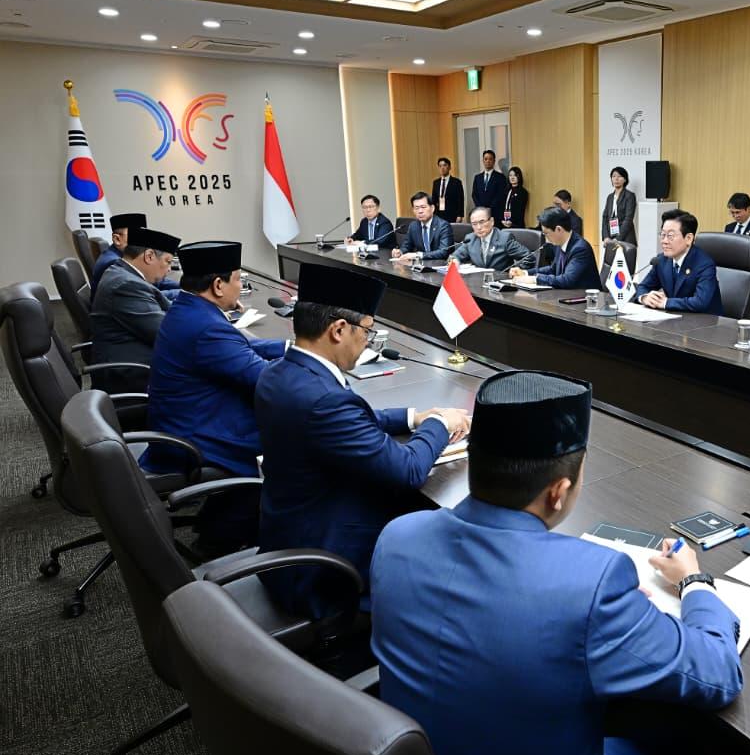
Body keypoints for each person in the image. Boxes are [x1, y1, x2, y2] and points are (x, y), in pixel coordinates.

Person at [371, 370, 743, 755]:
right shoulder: (590, 585)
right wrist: (694, 581)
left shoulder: (396, 537)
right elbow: (718, 673)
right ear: (559, 492)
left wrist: (604, 610)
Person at [255, 263, 471, 617]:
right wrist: (440, 423)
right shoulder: (325, 400)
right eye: (368, 331)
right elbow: (408, 470)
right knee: (449, 539)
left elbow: (345, 420)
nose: (368, 341)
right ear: (339, 329)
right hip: (324, 565)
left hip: (290, 533)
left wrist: (411, 416)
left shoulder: (280, 372)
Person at [141, 241, 284, 556]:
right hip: (194, 435)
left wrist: (290, 348)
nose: (239, 286)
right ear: (218, 285)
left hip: (181, 420)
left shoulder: (189, 308)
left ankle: (220, 522)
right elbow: (265, 379)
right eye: (238, 279)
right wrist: (313, 365)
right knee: (287, 438)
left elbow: (240, 349)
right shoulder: (205, 325)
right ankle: (229, 537)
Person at [89, 226, 181, 395]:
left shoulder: (123, 273)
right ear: (149, 256)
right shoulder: (126, 285)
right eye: (168, 261)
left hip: (133, 362)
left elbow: (163, 302)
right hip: (130, 379)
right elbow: (170, 334)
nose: (169, 269)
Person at [636, 210, 723, 314]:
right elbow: (643, 286)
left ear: (688, 239)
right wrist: (645, 297)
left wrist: (666, 303)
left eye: (670, 236)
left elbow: (700, 302)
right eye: (662, 234)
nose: (664, 241)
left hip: (705, 324)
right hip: (674, 320)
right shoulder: (661, 260)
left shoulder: (704, 264)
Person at [90, 212, 179, 298]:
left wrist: (184, 286)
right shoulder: (113, 262)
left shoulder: (119, 255)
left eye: (143, 235)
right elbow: (145, 294)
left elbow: (156, 284)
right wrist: (183, 293)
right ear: (117, 239)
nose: (142, 240)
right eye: (134, 235)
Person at [510, 207, 599, 291]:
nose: (545, 238)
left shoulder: (580, 248)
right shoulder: (559, 243)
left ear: (558, 229)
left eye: (546, 233)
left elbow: (567, 280)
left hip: (585, 300)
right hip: (566, 296)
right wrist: (525, 273)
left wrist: (535, 279)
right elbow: (553, 269)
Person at [452, 207, 536, 271]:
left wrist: (515, 271)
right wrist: (455, 261)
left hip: (499, 284)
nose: (479, 227)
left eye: (482, 222)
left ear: (492, 221)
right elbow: (455, 256)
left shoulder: (504, 238)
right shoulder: (470, 238)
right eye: (474, 224)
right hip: (477, 283)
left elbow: (529, 258)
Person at [392, 191, 452, 262]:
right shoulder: (413, 226)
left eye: (423, 207)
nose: (420, 211)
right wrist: (400, 252)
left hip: (440, 265)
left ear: (432, 208)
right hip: (421, 266)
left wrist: (418, 255)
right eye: (416, 208)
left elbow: (443, 252)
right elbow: (406, 246)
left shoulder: (443, 226)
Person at [601, 166, 637, 245]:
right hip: (610, 238)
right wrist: (606, 237)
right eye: (613, 176)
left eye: (619, 176)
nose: (616, 179)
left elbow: (628, 219)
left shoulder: (630, 196)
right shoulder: (610, 197)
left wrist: (617, 239)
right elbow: (605, 217)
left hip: (626, 238)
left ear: (625, 179)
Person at [471, 149, 505, 214]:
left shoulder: (500, 177)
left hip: (495, 212)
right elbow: (474, 194)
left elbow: (500, 195)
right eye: (485, 159)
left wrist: (490, 208)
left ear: (494, 161)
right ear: (483, 161)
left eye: (490, 159)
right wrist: (480, 208)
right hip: (480, 212)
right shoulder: (477, 177)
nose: (488, 161)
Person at [434, 157, 465, 223]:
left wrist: (460, 215)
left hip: (452, 214)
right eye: (440, 166)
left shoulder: (456, 182)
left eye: (444, 165)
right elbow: (434, 200)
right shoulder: (436, 182)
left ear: (449, 167)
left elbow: (460, 199)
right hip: (439, 214)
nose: (442, 168)